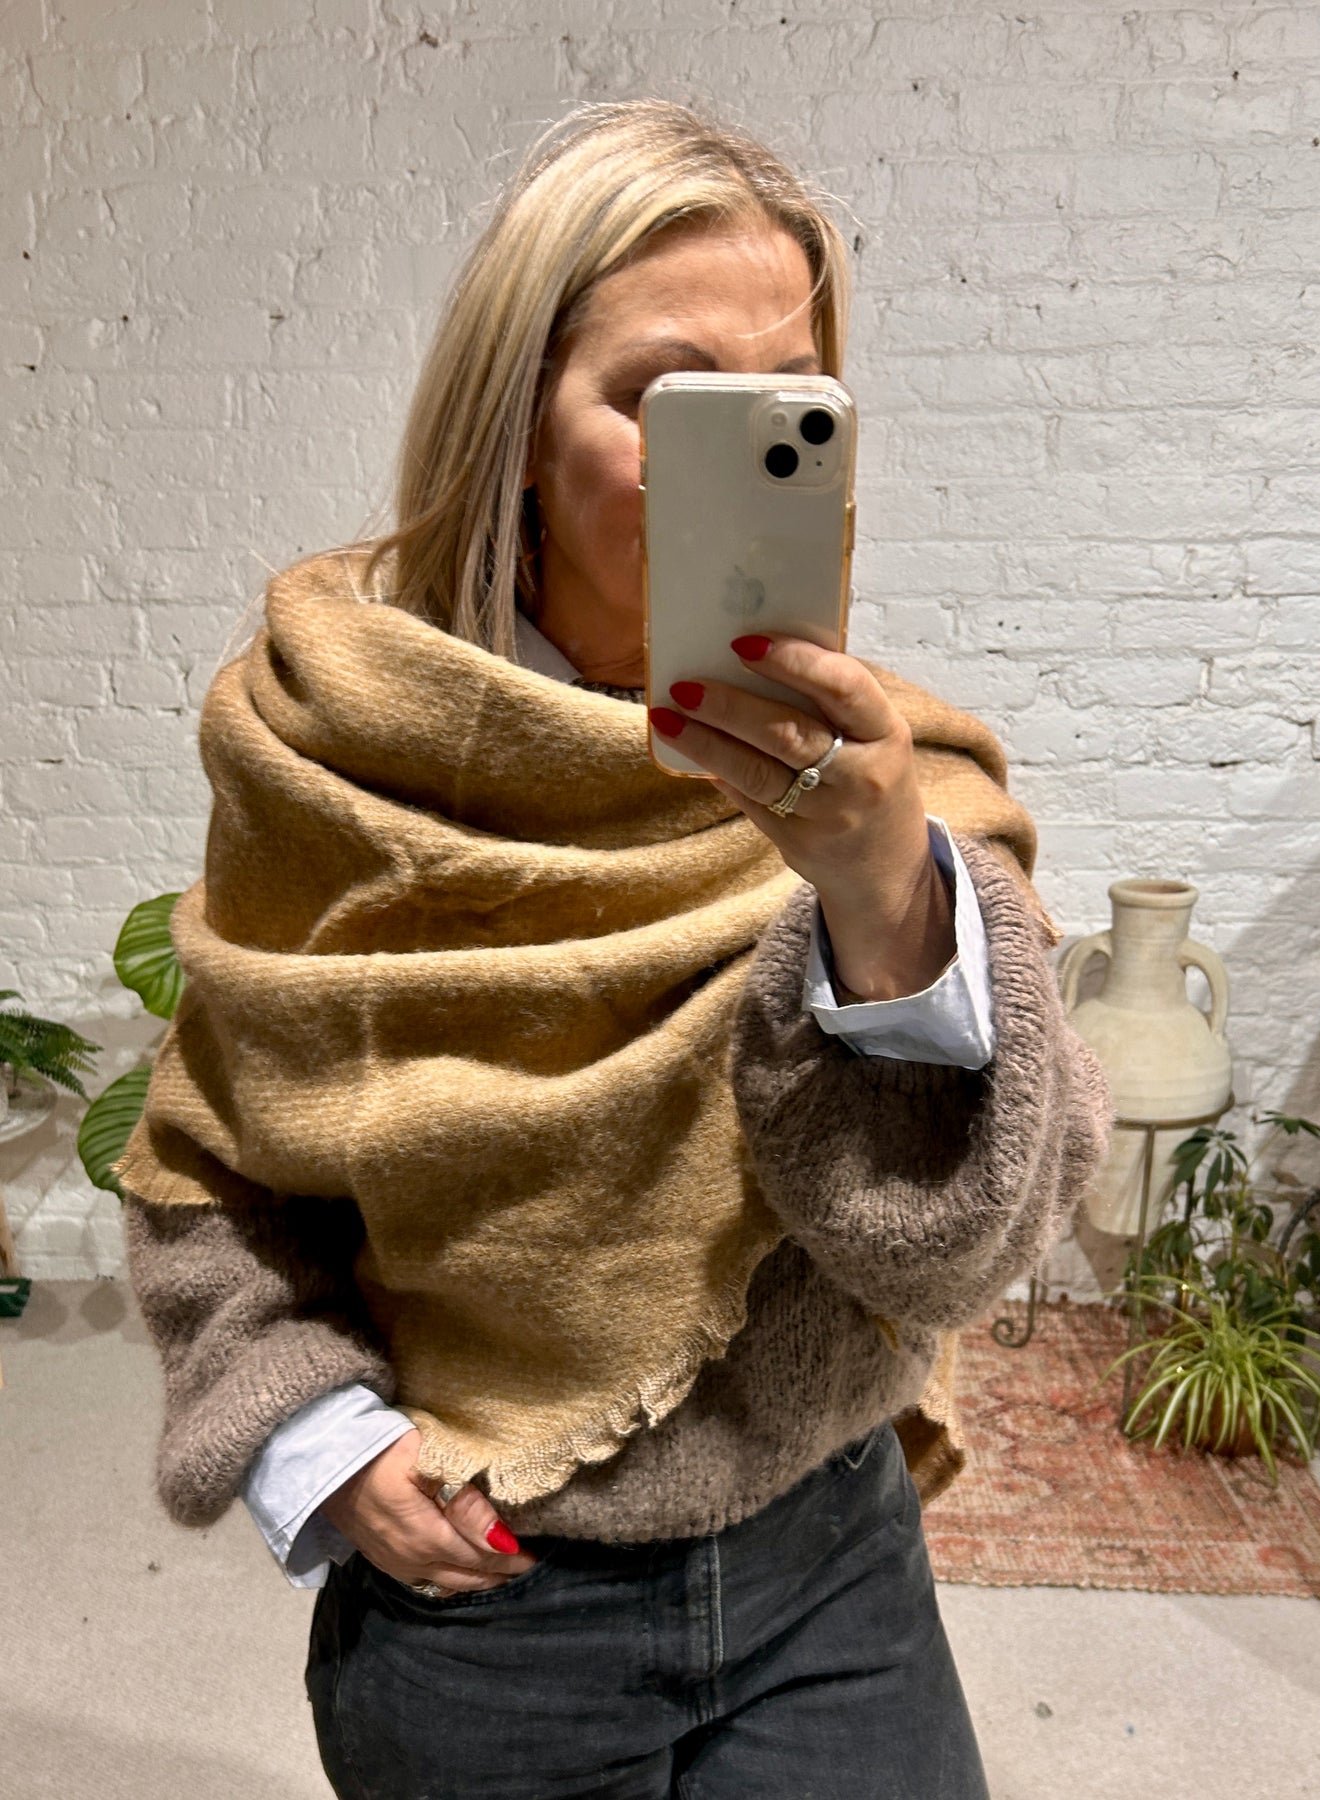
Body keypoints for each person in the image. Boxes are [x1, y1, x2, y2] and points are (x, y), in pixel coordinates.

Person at [120, 101, 1113, 1800]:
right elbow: (213, 1156)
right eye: (663, 396)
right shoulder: (339, 760)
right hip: (488, 1589)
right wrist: (314, 1440)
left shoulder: (898, 793)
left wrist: (881, 894)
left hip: (832, 1558)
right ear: (517, 424)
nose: (730, 445)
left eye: (788, 398)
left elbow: (956, 1252)